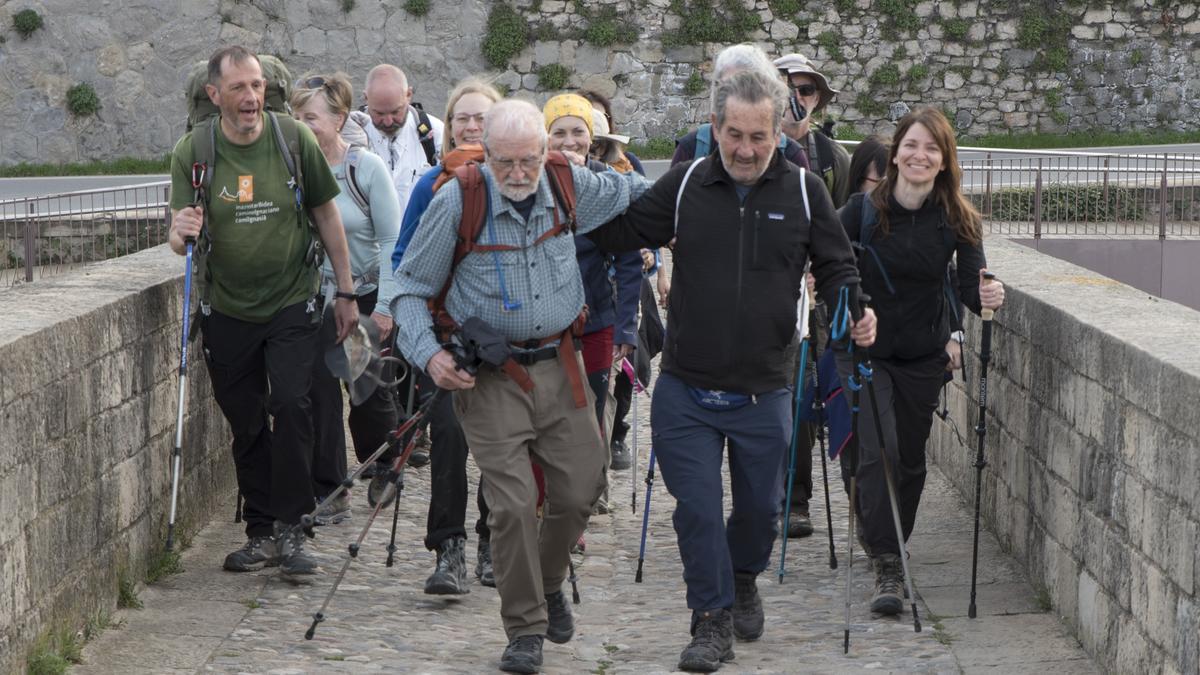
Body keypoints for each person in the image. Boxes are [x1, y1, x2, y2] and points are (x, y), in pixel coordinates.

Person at [587, 70, 877, 673]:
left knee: (761, 511)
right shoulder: (687, 182)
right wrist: (572, 187)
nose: (745, 149)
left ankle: (743, 576)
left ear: (779, 132)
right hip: (687, 385)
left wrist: (857, 311)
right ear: (714, 128)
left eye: (758, 136)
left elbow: (838, 264)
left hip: (765, 386)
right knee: (693, 508)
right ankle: (711, 619)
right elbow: (618, 231)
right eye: (734, 135)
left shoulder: (803, 192)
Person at [391, 99, 651, 674]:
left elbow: (638, 195)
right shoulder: (459, 200)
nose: (516, 173)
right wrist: (430, 356)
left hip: (562, 365)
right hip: (489, 377)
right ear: (486, 153)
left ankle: (548, 580)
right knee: (511, 504)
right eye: (504, 161)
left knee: (583, 488)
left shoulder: (567, 183)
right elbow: (408, 289)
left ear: (545, 153)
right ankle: (526, 629)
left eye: (528, 161)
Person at [167, 46, 358, 576]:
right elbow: (180, 236)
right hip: (226, 307)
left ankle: (293, 529)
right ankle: (261, 530)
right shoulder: (194, 150)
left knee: (294, 406)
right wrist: (179, 234)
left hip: (292, 300)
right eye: (238, 89)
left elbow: (326, 213)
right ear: (215, 95)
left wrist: (345, 292)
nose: (251, 98)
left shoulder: (292, 138)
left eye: (256, 87)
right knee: (247, 422)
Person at [835, 107, 1004, 616]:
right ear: (895, 155)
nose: (919, 155)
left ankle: (890, 544)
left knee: (909, 459)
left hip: (923, 356)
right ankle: (888, 563)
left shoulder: (957, 219)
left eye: (931, 148)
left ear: (944, 161)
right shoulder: (862, 213)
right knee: (878, 450)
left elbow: (971, 289)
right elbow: (831, 272)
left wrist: (991, 292)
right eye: (911, 145)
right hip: (864, 352)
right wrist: (850, 309)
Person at [393, 77, 503, 595]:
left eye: (481, 118)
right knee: (450, 443)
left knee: (501, 445)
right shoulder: (430, 184)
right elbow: (403, 259)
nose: (471, 126)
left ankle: (491, 541)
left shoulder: (517, 183)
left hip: (503, 340)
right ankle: (449, 548)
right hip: (444, 337)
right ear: (448, 126)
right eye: (462, 118)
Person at [289, 73, 403, 526]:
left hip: (361, 296)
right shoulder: (291, 168)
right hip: (313, 299)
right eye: (294, 117)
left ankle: (383, 464)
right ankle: (332, 488)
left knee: (364, 389)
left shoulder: (364, 169)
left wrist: (387, 307)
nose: (301, 125)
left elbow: (393, 241)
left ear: (338, 119)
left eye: (310, 117)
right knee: (319, 393)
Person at [543, 93, 642, 477]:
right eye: (559, 133)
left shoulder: (607, 185)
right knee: (547, 415)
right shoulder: (531, 181)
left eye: (578, 132)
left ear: (592, 138)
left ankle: (582, 501)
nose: (569, 142)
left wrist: (626, 327)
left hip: (597, 316)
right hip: (545, 324)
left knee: (591, 415)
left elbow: (630, 259)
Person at [352, 64, 446, 468]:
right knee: (377, 354)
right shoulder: (353, 133)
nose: (387, 121)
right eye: (379, 114)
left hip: (424, 258)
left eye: (395, 112)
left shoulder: (434, 134)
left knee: (418, 345)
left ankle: (414, 429)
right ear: (365, 102)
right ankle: (389, 436)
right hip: (374, 260)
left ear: (410, 94)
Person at [671, 44, 810, 172]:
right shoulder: (691, 148)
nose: (745, 151)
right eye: (727, 87)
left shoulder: (792, 156)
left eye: (748, 86)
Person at [773, 52, 853, 208]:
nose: (795, 97)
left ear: (816, 98)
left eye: (806, 90)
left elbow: (840, 224)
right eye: (784, 89)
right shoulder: (750, 150)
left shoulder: (834, 158)